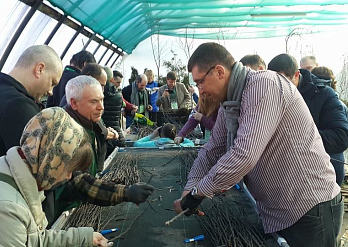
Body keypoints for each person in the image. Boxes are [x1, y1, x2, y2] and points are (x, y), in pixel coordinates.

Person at [173, 42, 343, 247]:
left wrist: (199, 192)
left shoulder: (264, 86)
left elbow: (244, 155)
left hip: (309, 209)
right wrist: (190, 188)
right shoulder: (231, 103)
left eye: (200, 82)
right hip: (278, 211)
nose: (200, 90)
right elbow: (212, 148)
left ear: (219, 71)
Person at [0, 107, 108, 247]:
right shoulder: (6, 209)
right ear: (53, 161)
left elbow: (33, 239)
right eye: (69, 169)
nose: (69, 176)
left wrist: (85, 237)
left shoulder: (18, 172)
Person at [51, 75, 154, 224]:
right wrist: (125, 192)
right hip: (60, 215)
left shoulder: (88, 124)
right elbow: (79, 182)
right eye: (93, 102)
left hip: (73, 207)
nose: (101, 107)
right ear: (74, 103)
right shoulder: (66, 132)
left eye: (101, 100)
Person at [268, 54, 348, 187]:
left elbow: (341, 137)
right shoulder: (271, 94)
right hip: (290, 172)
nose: (279, 89)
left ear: (297, 75)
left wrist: (295, 138)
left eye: (284, 83)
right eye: (274, 84)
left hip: (324, 168)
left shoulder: (323, 94)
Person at [0, 44, 63, 160]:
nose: (50, 92)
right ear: (39, 69)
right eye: (52, 82)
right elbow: (37, 164)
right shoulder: (18, 105)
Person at [102, 68, 127, 156]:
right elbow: (123, 104)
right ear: (112, 79)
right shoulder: (118, 94)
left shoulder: (102, 95)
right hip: (115, 132)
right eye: (118, 83)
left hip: (106, 134)